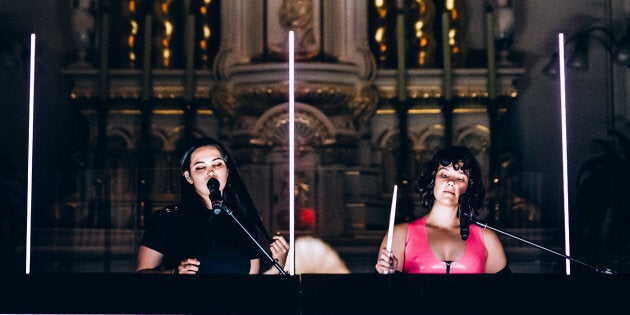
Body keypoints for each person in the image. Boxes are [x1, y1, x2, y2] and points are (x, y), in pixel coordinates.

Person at [136, 137, 289, 274]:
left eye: (217, 164)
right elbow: (140, 275)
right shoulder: (167, 219)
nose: (211, 172)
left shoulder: (242, 219)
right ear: (189, 177)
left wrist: (278, 264)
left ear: (227, 171)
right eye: (201, 167)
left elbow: (251, 285)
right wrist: (174, 273)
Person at [375, 146, 508, 274]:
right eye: (444, 175)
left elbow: (503, 294)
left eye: (460, 178)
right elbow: (384, 293)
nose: (451, 182)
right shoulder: (400, 234)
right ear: (433, 181)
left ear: (469, 188)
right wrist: (389, 273)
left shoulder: (487, 238)